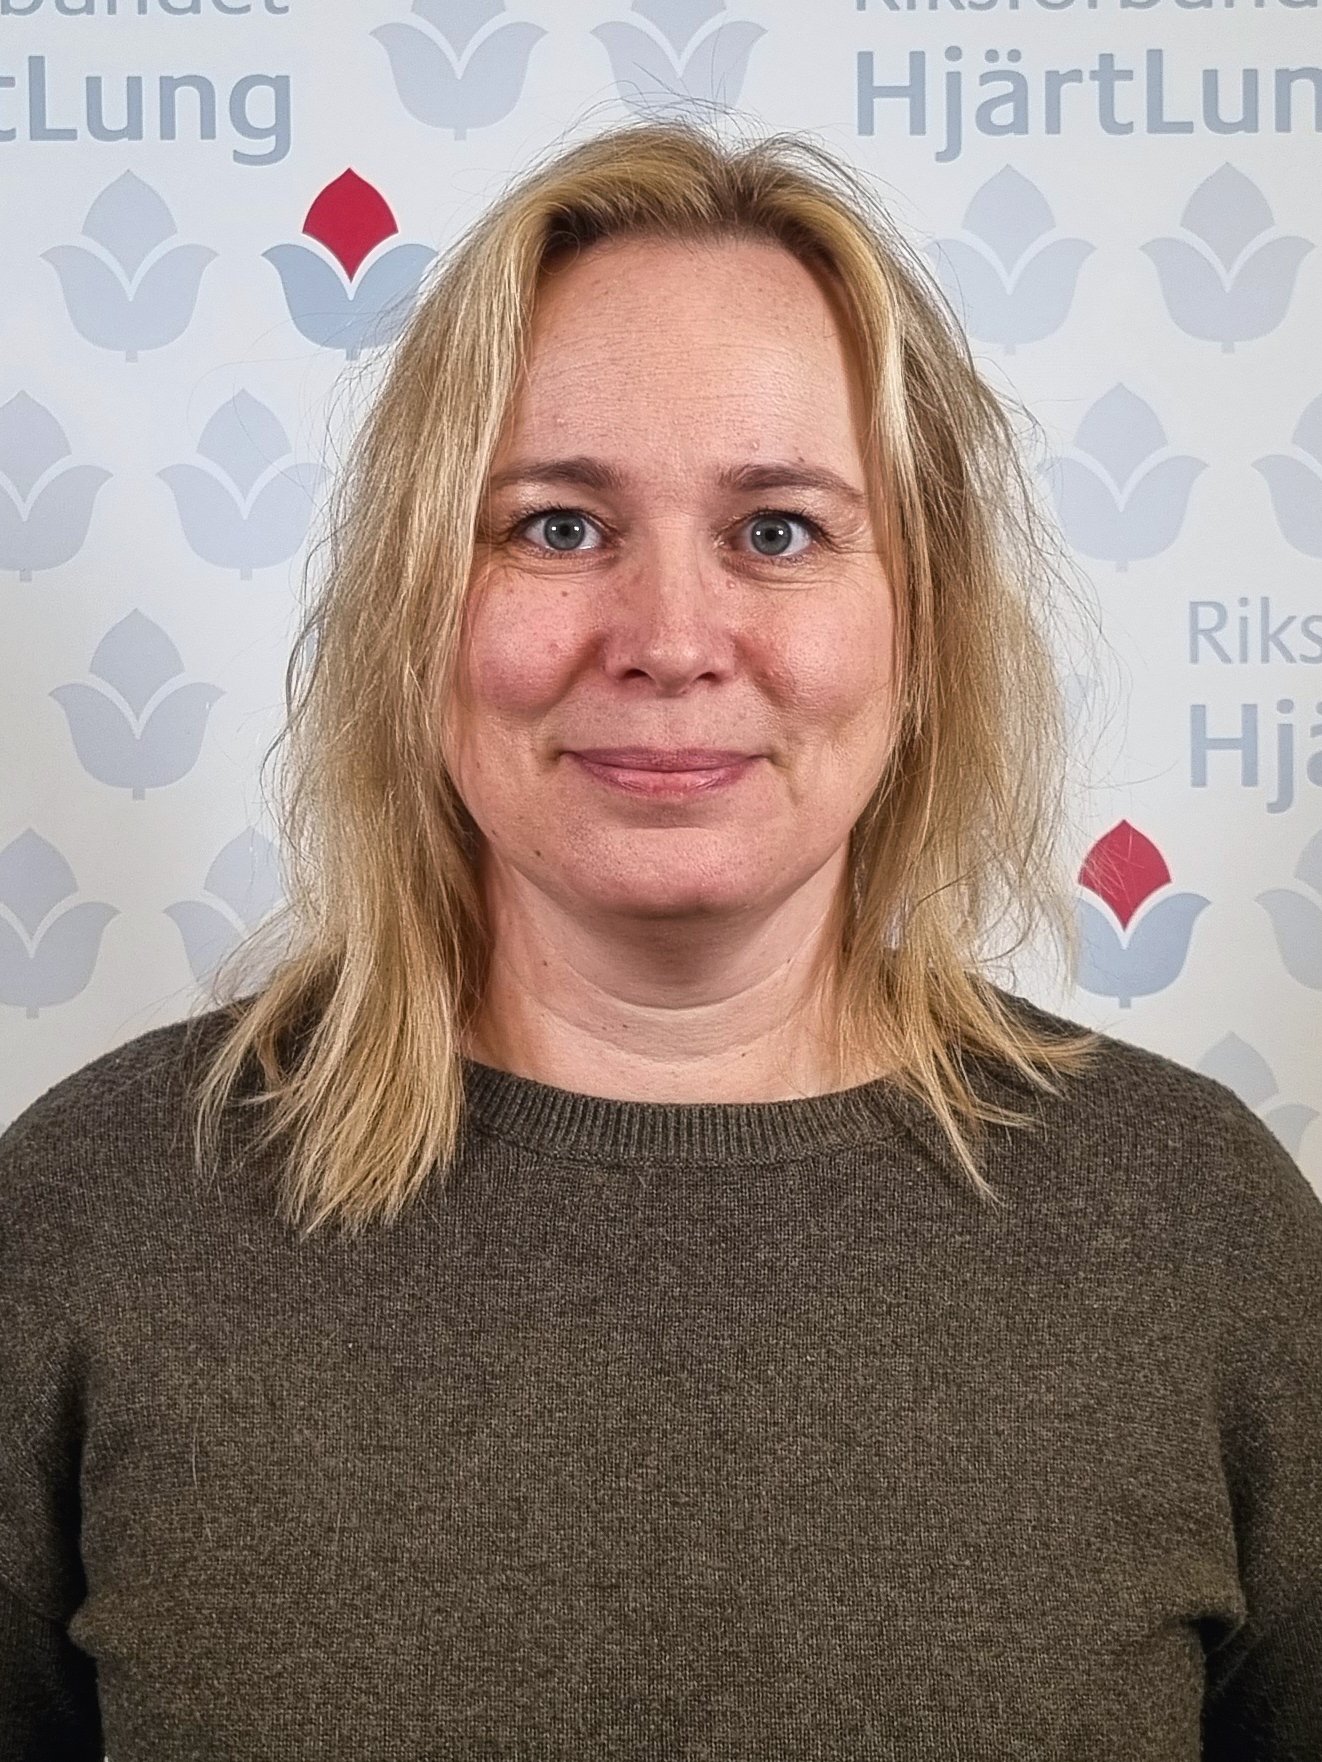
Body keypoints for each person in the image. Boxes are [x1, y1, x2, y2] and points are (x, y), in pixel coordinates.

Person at [1, 115, 1318, 1761]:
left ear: (917, 624)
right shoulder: (94, 1213)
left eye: (777, 531)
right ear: (418, 604)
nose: (671, 639)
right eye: (557, 525)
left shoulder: (1196, 1228)